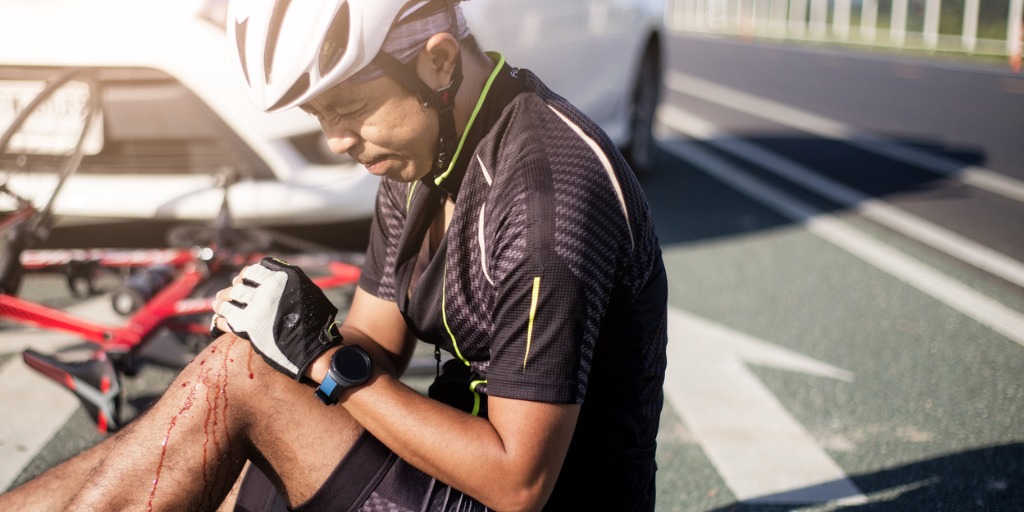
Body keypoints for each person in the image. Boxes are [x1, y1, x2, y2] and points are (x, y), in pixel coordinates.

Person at [0, 0, 668, 510]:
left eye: (350, 107)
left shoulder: (546, 202)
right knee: (224, 398)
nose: (338, 140)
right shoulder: (420, 152)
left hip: (519, 492)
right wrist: (281, 334)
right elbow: (374, 341)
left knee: (243, 388)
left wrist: (319, 356)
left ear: (439, 62)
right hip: (450, 475)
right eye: (321, 114)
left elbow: (518, 482)